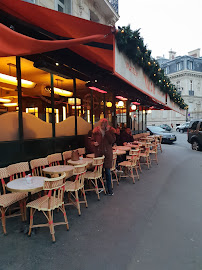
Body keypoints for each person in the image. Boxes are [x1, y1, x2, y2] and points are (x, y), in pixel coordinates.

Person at [91, 119, 116, 195]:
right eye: (102, 124)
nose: (103, 126)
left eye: (105, 124)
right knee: (99, 172)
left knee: (107, 172)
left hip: (107, 154)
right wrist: (93, 143)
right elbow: (92, 140)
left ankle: (109, 189)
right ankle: (100, 187)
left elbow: (112, 141)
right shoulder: (96, 132)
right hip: (99, 153)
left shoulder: (110, 131)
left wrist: (107, 132)